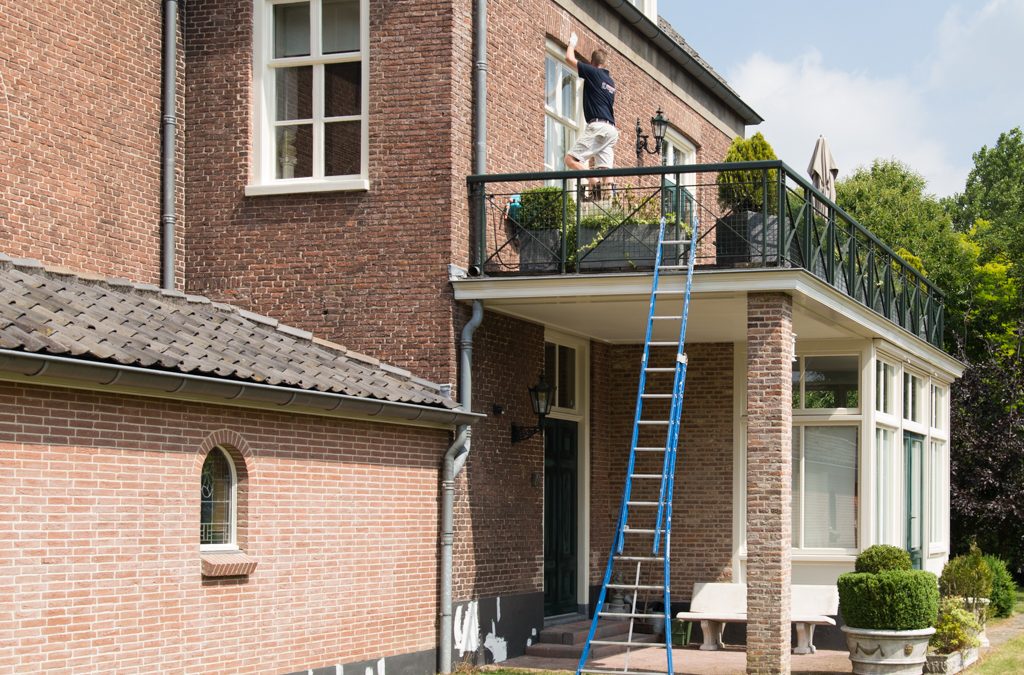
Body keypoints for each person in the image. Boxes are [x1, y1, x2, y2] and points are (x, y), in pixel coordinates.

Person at [564, 32, 619, 200]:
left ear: (592, 63)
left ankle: (593, 182)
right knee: (606, 170)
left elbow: (569, 58)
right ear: (604, 63)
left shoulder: (593, 72)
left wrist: (572, 43)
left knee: (570, 160)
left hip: (598, 126)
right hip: (611, 130)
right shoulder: (611, 83)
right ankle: (609, 201)